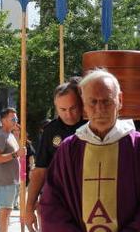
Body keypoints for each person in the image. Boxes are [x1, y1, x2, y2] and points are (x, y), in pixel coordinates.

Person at [39, 69, 140, 231]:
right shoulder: (69, 149)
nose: (100, 109)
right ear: (84, 104)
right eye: (93, 102)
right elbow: (52, 203)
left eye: (107, 101)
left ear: (120, 100)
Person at [23, 80, 85, 232]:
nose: (68, 114)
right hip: (59, 201)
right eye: (63, 109)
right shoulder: (51, 130)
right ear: (56, 107)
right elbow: (40, 170)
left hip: (87, 199)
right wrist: (29, 207)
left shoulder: (92, 125)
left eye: (73, 108)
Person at [0, 107, 21, 232]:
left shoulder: (10, 135)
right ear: (3, 120)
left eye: (16, 118)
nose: (16, 120)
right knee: (5, 210)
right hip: (5, 180)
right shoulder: (0, 135)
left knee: (8, 210)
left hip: (12, 179)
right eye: (13, 118)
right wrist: (15, 154)